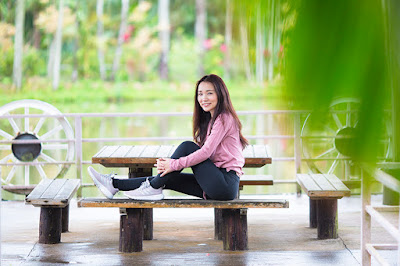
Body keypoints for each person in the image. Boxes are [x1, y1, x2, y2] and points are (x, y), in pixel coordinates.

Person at [88, 74, 248, 201]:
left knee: (187, 147)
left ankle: (148, 188)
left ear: (220, 94)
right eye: (200, 94)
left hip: (225, 184)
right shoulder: (211, 121)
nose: (203, 98)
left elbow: (205, 153)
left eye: (209, 93)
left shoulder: (225, 118)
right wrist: (172, 167)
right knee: (165, 179)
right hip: (214, 185)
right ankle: (114, 184)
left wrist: (174, 164)